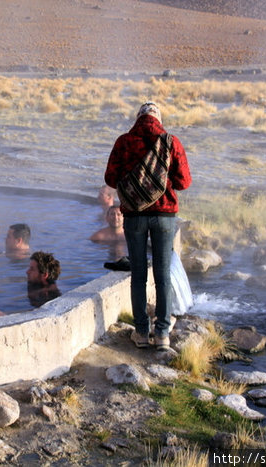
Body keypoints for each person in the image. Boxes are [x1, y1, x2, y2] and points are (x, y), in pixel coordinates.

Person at [104, 101, 192, 350]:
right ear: (158, 119)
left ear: (138, 118)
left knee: (139, 275)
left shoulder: (124, 142)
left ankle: (141, 333)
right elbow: (184, 181)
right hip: (164, 215)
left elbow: (110, 177)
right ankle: (162, 333)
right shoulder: (170, 141)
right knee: (163, 275)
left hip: (133, 215)